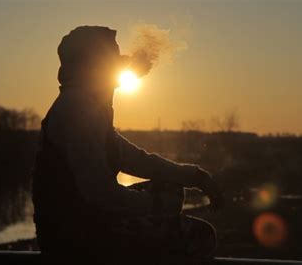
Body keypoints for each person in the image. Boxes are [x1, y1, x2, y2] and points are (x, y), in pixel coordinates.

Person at [31, 26, 224, 264]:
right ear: (94, 67)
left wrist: (195, 177)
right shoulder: (76, 109)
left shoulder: (86, 105)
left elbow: (136, 159)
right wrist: (157, 206)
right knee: (200, 236)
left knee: (171, 189)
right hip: (73, 238)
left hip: (82, 225)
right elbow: (99, 193)